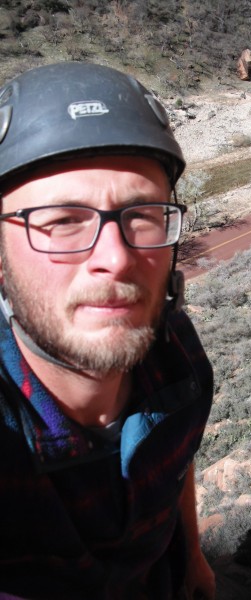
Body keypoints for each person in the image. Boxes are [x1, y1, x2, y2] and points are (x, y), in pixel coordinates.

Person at [0, 62, 215, 600]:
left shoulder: (178, 359)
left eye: (143, 214)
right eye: (61, 220)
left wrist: (193, 559)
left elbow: (176, 461)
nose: (116, 259)